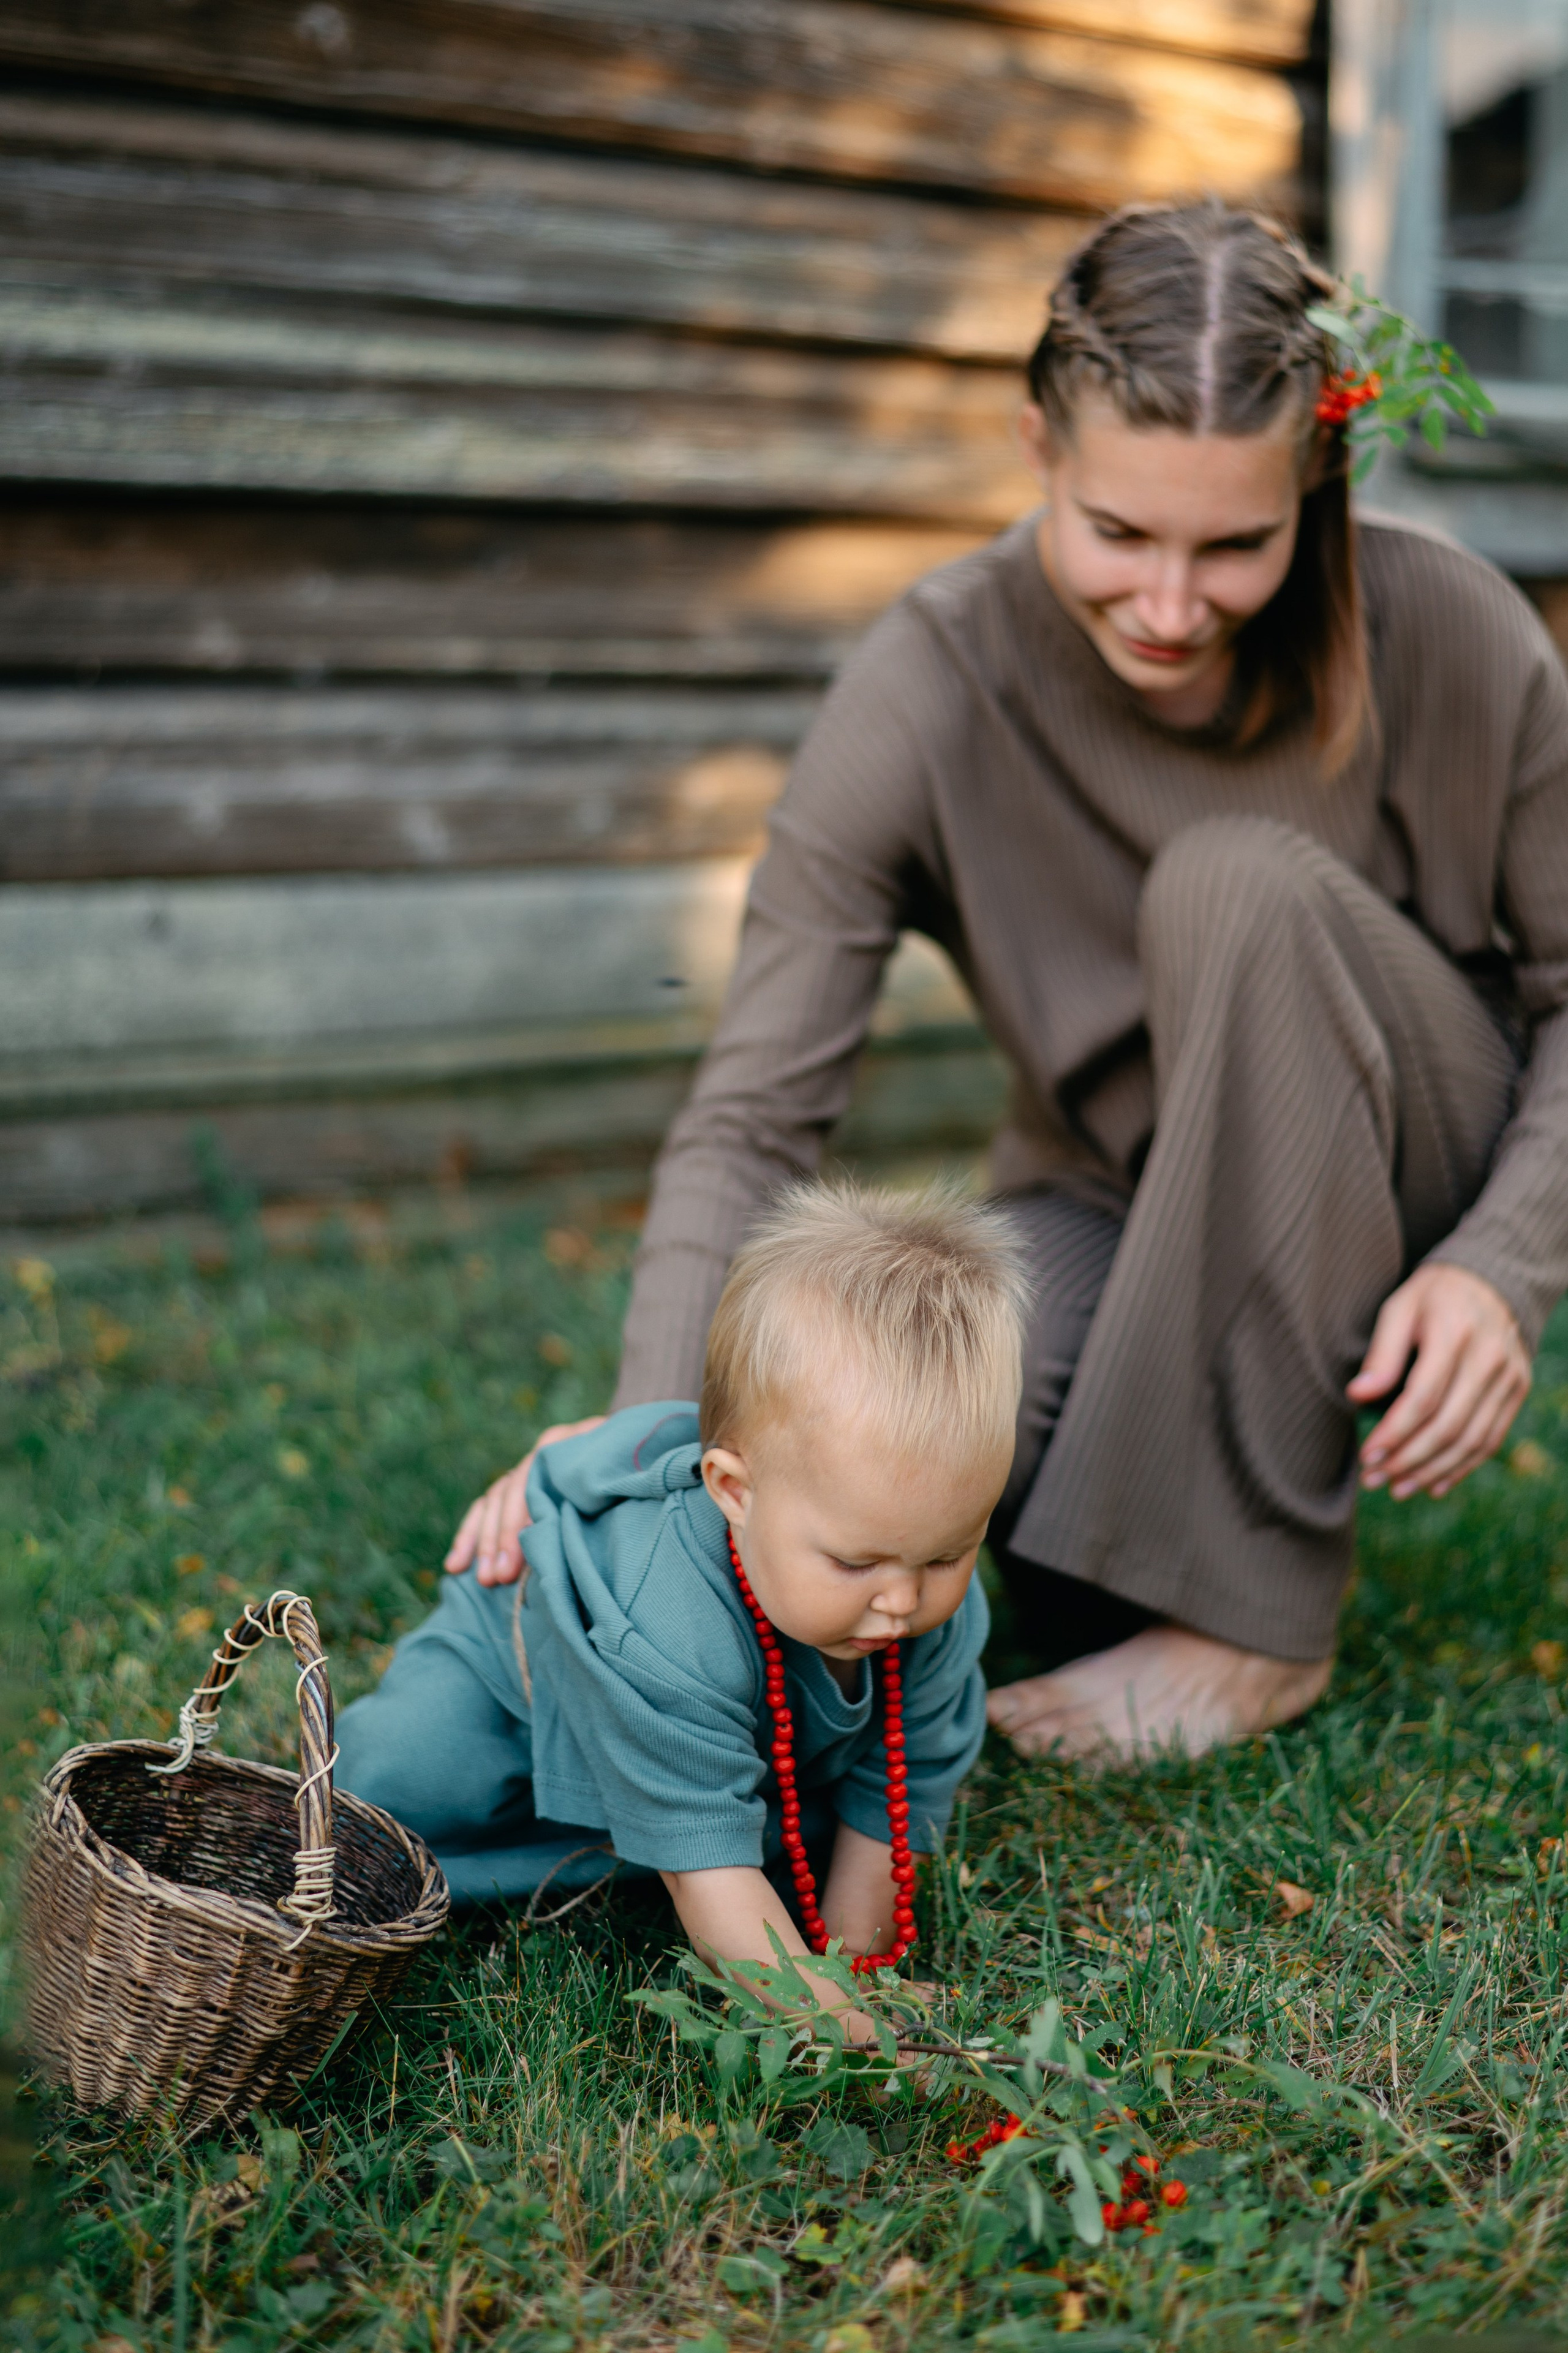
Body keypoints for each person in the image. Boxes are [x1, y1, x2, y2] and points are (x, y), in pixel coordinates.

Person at [447, 199, 1568, 1764]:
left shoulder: (1453, 631)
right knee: (916, 1469)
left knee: (1232, 884)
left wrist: (1500, 1266)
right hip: (1121, 1205)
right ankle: (1139, 1543)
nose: (1169, 607)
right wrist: (655, 1440)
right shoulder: (930, 682)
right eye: (1118, 533)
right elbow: (755, 1112)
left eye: (1236, 544)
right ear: (1039, 445)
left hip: (1402, 1159)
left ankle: (1251, 1625)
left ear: (1315, 477)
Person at [339, 1182, 1025, 2005]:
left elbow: (893, 1803)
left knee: (793, 1829)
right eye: (855, 1563)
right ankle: (608, 1821)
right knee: (387, 1791)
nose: (903, 1602)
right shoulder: (662, 1618)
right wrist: (818, 2018)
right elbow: (710, 1880)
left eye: (949, 1555)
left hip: (716, 1729)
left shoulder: (917, 1600)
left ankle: (644, 1820)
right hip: (516, 1691)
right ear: (734, 1490)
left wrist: (855, 1974)